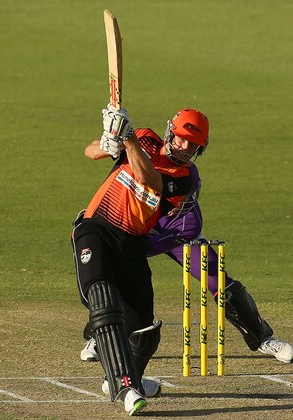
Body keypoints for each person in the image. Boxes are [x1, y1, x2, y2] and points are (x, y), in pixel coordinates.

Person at [72, 106, 209, 415]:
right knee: (103, 300)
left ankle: (125, 376)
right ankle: (126, 386)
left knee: (145, 334)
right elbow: (90, 151)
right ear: (171, 130)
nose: (186, 147)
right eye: (183, 139)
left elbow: (151, 181)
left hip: (131, 244)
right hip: (97, 228)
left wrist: (128, 138)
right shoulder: (144, 138)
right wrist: (109, 143)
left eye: (194, 145)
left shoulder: (185, 178)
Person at [79, 200, 293, 369]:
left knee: (218, 281)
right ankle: (100, 337)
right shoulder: (146, 157)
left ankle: (263, 338)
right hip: (129, 227)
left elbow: (173, 235)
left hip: (170, 233)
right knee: (109, 279)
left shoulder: (187, 212)